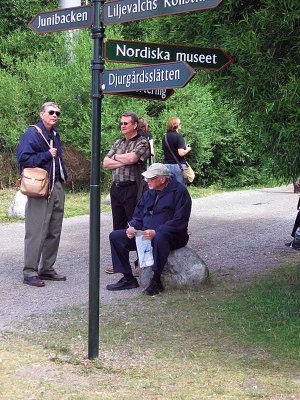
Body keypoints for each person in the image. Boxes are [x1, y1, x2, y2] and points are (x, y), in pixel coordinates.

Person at [106, 163, 192, 296]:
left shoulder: (180, 192)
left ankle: (156, 281)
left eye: (151, 178)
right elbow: (138, 215)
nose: (147, 181)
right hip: (145, 234)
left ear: (162, 179)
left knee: (160, 237)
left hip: (172, 236)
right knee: (116, 236)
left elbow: (180, 220)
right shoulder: (149, 192)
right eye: (147, 178)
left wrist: (158, 231)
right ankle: (128, 279)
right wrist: (132, 227)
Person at [17, 102, 67, 287]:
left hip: (56, 186)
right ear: (42, 114)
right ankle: (30, 272)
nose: (54, 115)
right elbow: (23, 159)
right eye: (51, 112)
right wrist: (46, 155)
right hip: (40, 188)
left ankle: (47, 268)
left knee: (54, 230)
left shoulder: (54, 134)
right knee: (36, 230)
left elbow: (58, 160)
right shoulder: (32, 133)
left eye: (57, 113)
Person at [103, 112, 150, 275]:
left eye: (126, 123)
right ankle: (120, 265)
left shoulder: (142, 142)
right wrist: (122, 159)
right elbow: (105, 162)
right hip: (117, 188)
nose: (122, 126)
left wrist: (116, 157)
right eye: (121, 123)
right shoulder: (118, 142)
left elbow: (133, 158)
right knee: (118, 227)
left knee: (136, 224)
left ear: (134, 125)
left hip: (133, 188)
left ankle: (140, 263)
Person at [162, 117, 192, 185]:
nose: (181, 125)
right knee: (180, 189)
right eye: (180, 123)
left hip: (166, 165)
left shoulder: (165, 137)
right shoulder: (179, 137)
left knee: (169, 188)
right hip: (178, 166)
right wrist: (187, 149)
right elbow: (181, 153)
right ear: (176, 125)